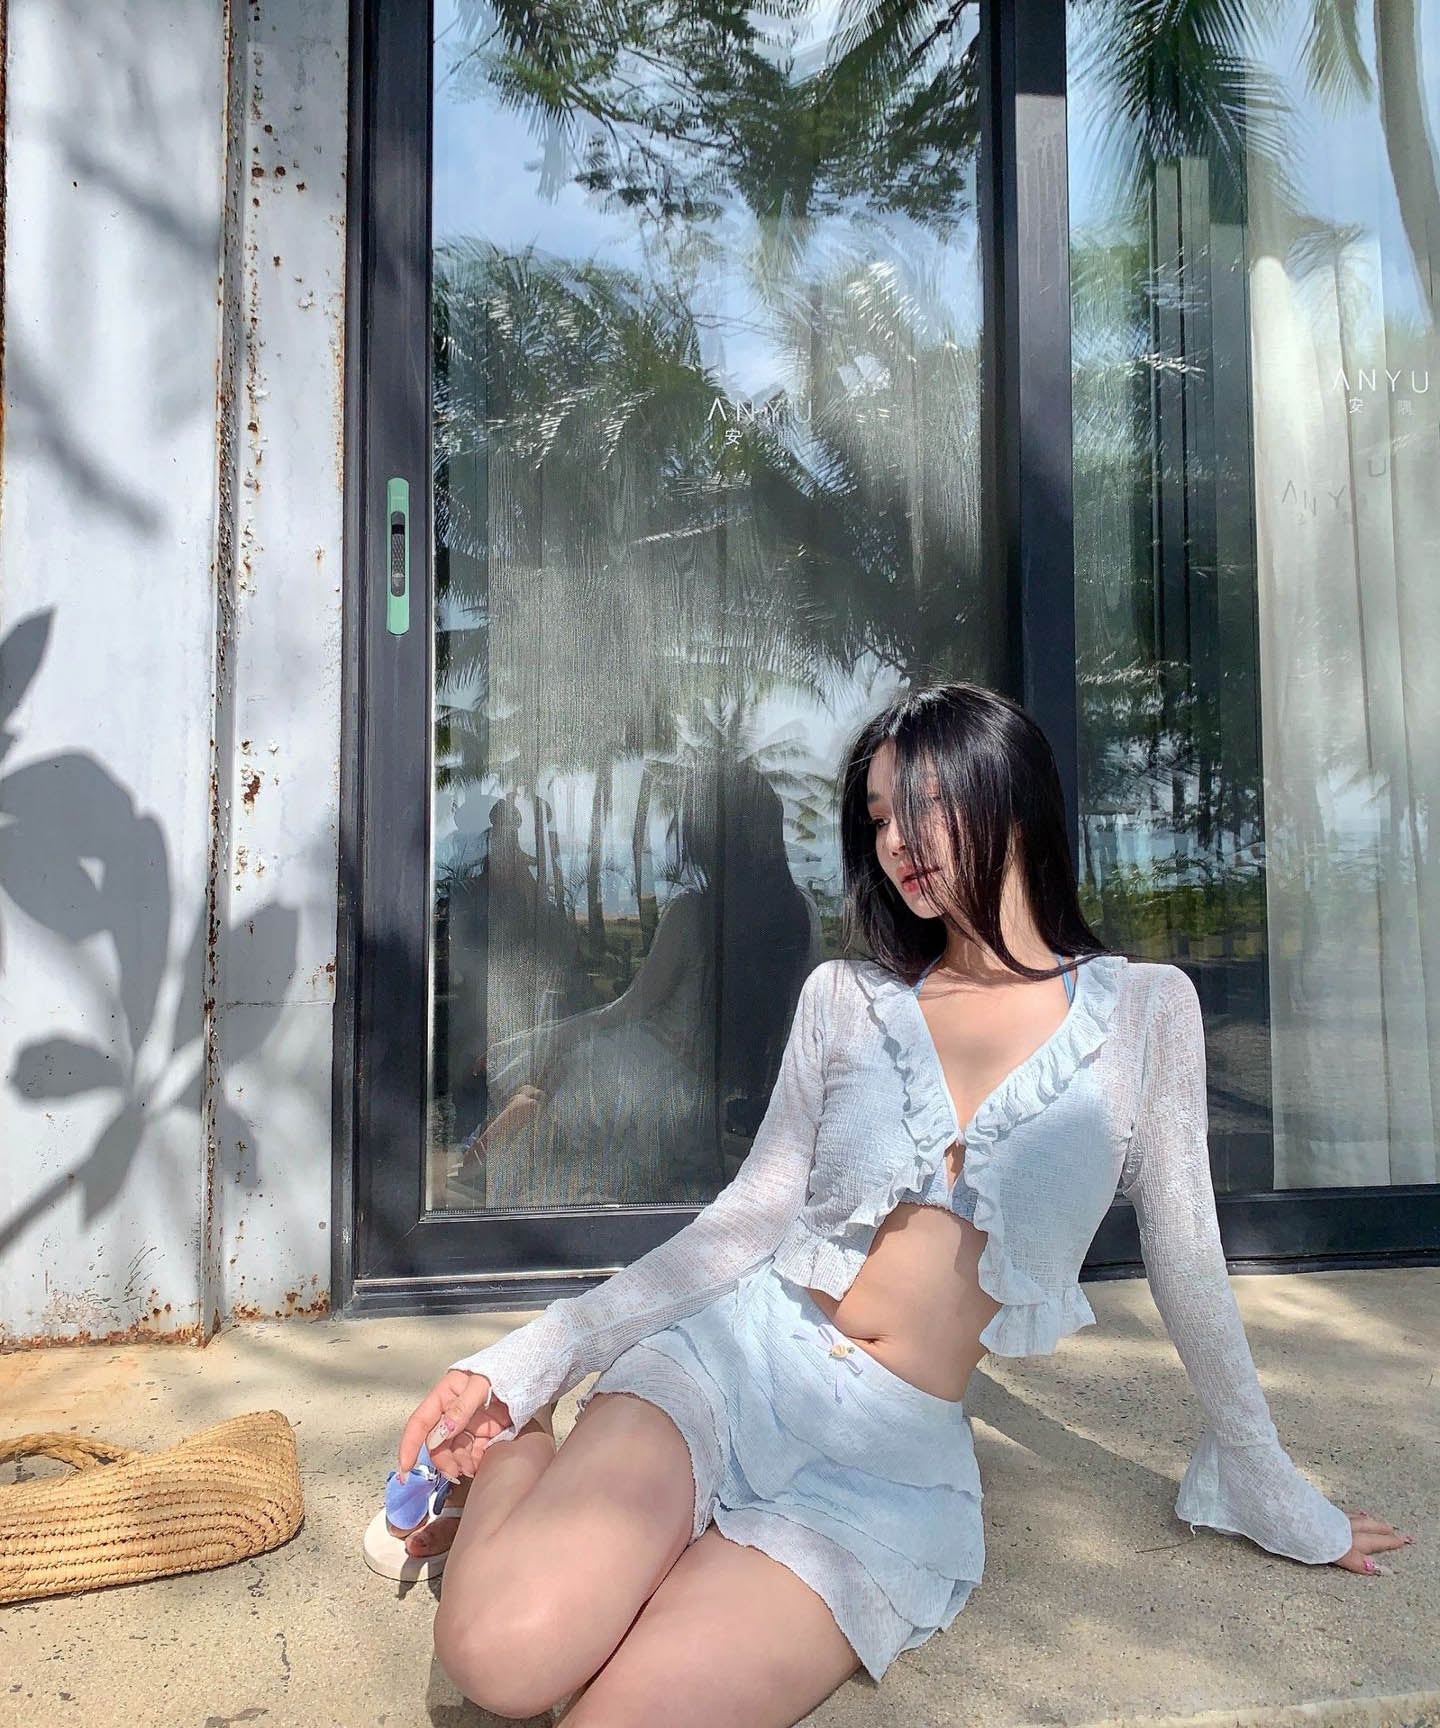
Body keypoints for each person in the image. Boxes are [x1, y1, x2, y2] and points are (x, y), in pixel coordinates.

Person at [390, 683, 1413, 1726]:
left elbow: (1188, 1258)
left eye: (919, 804)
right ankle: (518, 1448)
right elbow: (745, 1221)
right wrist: (537, 1359)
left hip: (882, 1470)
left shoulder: (1146, 1012)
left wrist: (1259, 1471)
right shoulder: (847, 999)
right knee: (502, 1662)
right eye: (878, 817)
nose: (894, 841)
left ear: (1007, 791)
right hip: (732, 1363)